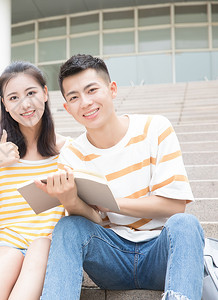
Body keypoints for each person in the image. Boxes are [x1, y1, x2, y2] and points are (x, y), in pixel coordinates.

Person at [39, 54, 204, 299]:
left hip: (160, 253)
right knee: (68, 226)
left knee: (186, 224)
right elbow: (92, 221)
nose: (85, 102)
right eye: (74, 97)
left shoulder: (154, 129)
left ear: (112, 89)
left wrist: (113, 203)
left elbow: (175, 205)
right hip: (111, 259)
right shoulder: (72, 155)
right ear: (67, 108)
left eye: (92, 90)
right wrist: (70, 200)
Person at [0, 62, 67, 299]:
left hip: (47, 250)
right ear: (5, 106)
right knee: (11, 257)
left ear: (46, 93)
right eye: (14, 98)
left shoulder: (68, 152)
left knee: (39, 247)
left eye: (31, 93)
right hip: (0, 250)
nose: (25, 104)